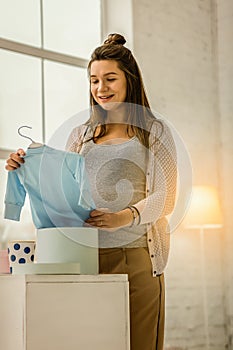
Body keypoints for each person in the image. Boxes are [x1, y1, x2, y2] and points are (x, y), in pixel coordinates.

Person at [5, 33, 177, 350]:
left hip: (136, 260)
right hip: (85, 259)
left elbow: (166, 198)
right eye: (94, 80)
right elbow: (61, 186)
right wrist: (24, 165)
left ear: (130, 80)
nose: (101, 88)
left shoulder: (154, 131)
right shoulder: (80, 135)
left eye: (110, 79)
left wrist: (123, 217)